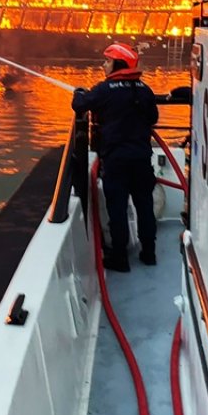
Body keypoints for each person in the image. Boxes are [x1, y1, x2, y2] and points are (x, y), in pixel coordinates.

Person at [72, 43, 159, 272]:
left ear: (118, 64)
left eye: (107, 61)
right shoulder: (144, 89)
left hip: (116, 160)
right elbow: (153, 117)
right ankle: (149, 253)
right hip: (141, 158)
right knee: (145, 206)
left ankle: (119, 258)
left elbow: (79, 104)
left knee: (117, 209)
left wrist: (79, 93)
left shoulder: (105, 89)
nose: (104, 64)